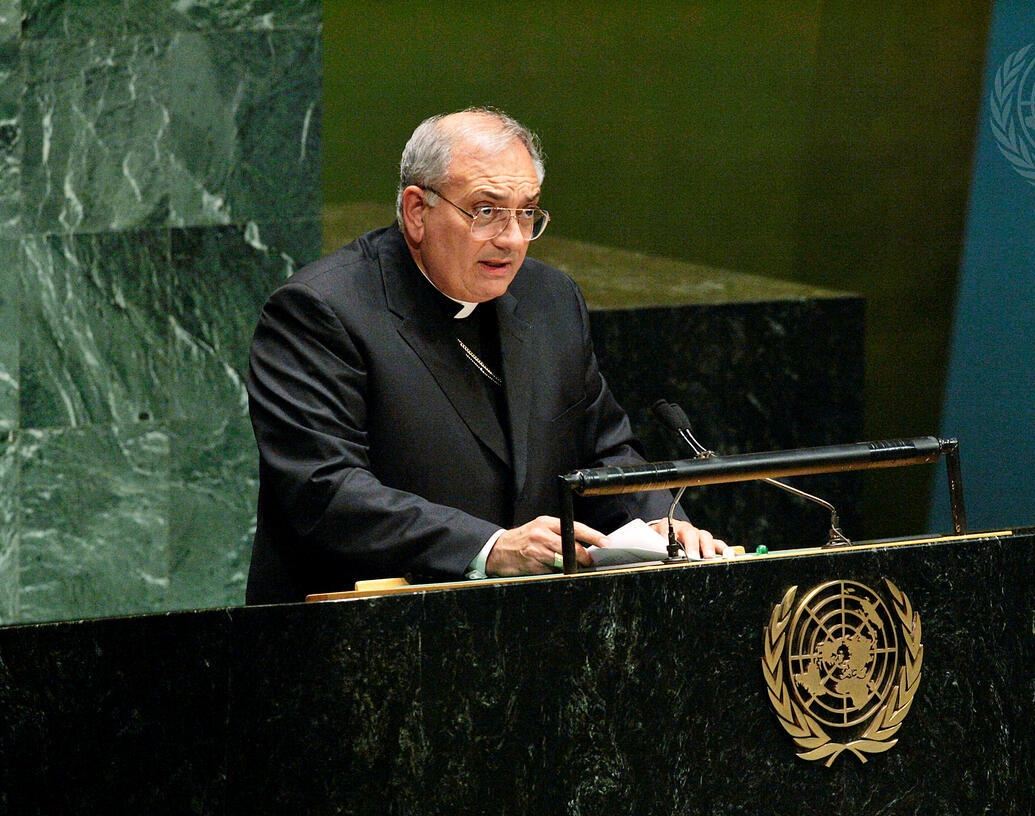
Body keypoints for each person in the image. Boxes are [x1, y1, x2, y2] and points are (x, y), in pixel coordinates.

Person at [245, 107, 723, 604]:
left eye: (527, 212)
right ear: (417, 211)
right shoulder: (321, 311)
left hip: (529, 622)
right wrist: (489, 547)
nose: (512, 239)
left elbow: (605, 449)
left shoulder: (550, 299)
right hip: (361, 626)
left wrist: (661, 523)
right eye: (487, 211)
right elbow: (325, 489)